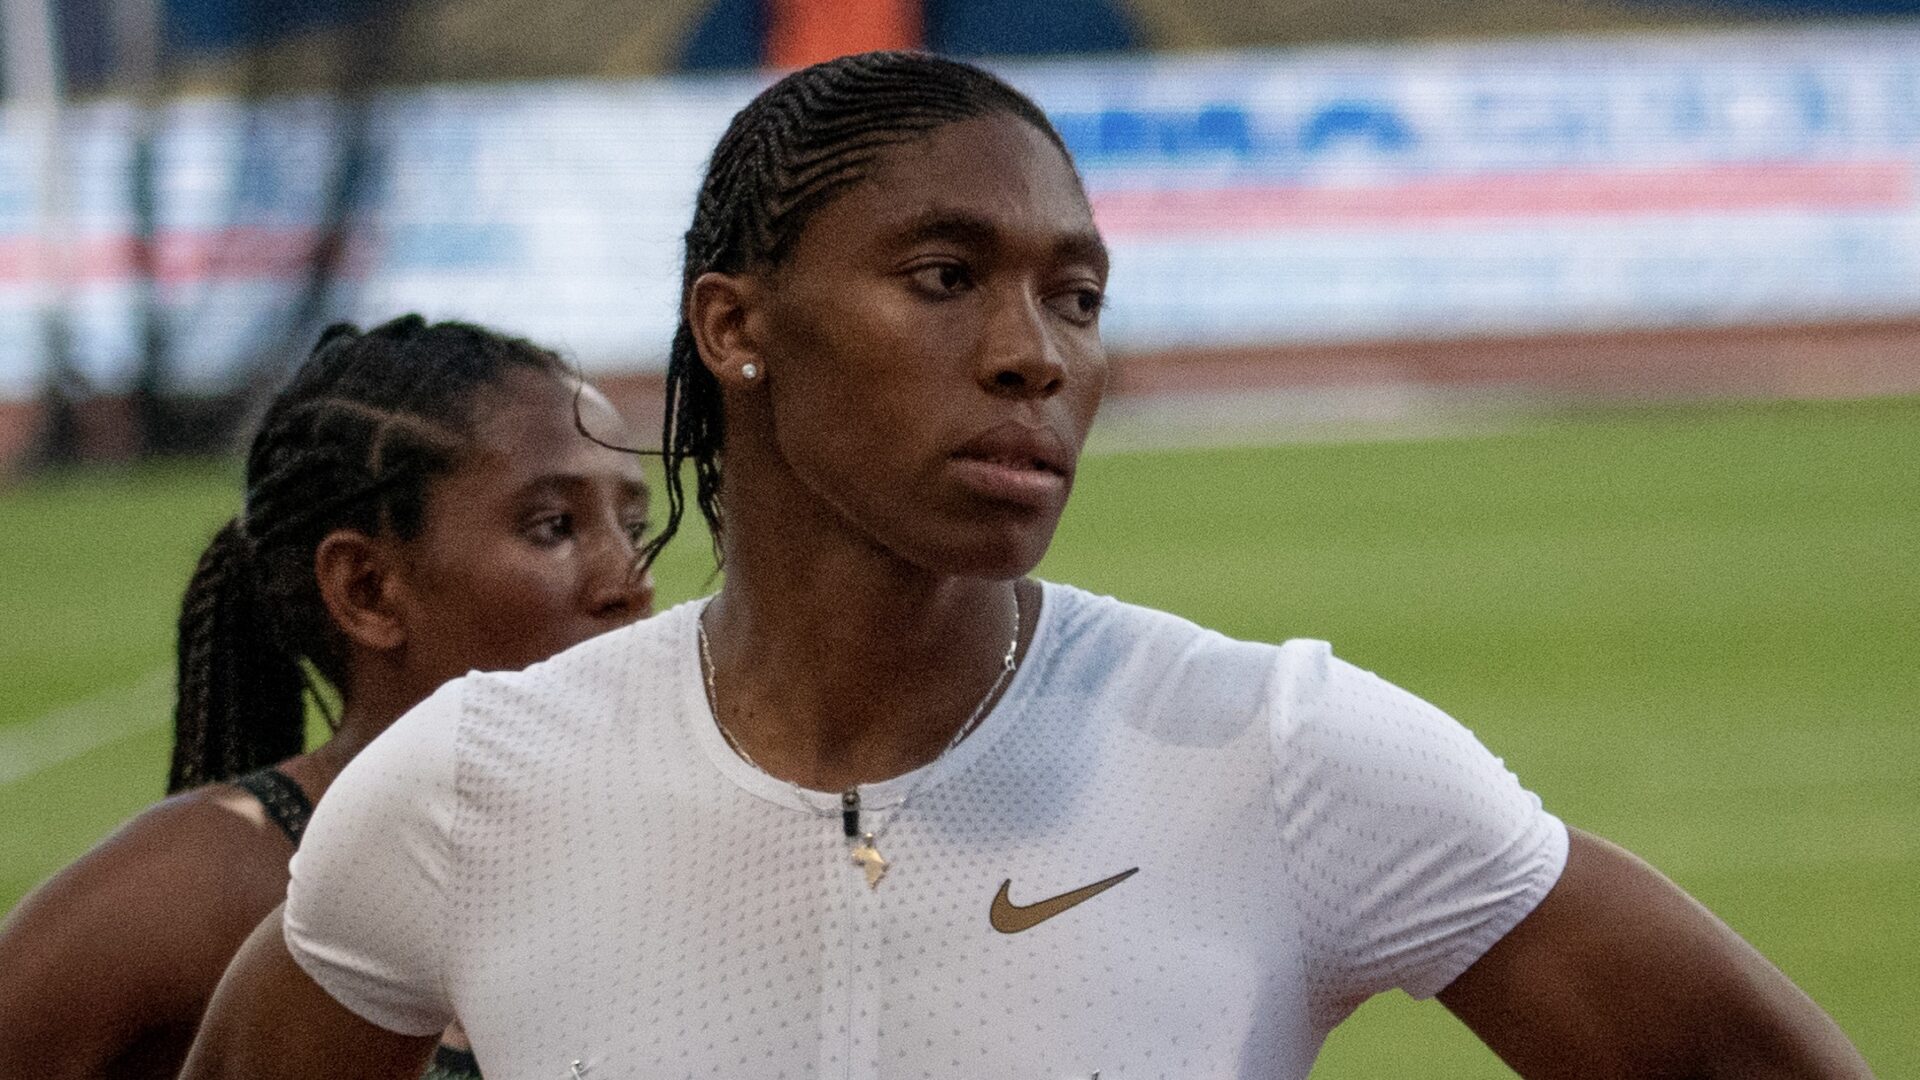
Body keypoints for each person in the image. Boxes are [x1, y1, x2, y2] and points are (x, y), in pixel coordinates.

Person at [183, 54, 1871, 1079]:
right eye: (944, 277)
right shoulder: (475, 790)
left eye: (1077, 298)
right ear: (737, 326)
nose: (1034, 356)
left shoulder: (1276, 754)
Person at [0, 316, 654, 1080]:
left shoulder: (654, 843)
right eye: (554, 527)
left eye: (635, 525)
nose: (630, 580)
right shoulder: (199, 888)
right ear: (368, 589)